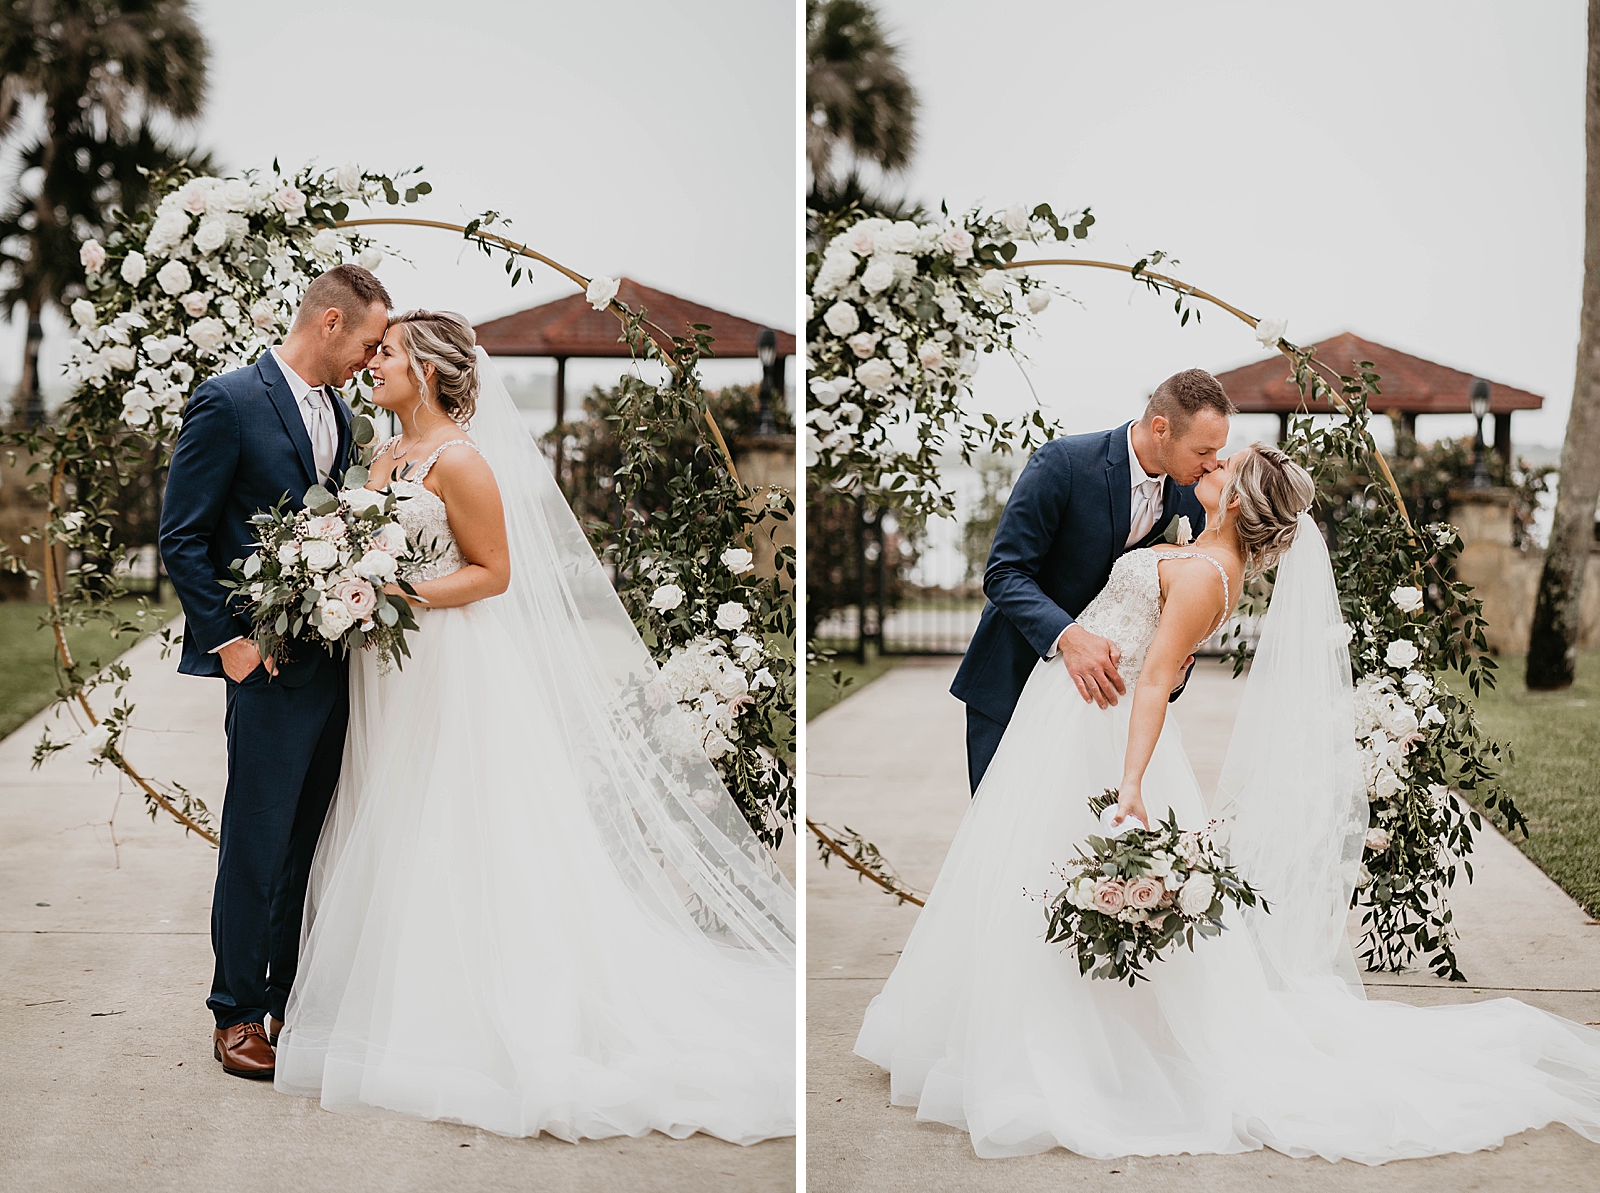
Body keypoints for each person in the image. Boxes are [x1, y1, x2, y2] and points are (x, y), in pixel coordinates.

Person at [856, 443, 1600, 1162]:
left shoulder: (1212, 572)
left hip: (1103, 728)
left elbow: (1154, 681)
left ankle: (1067, 1047)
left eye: (1226, 465)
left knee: (1056, 872)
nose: (1211, 466)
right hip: (1065, 711)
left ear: (1238, 498)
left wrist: (1132, 783)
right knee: (1022, 869)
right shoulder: (1201, 543)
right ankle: (1010, 1025)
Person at [272, 311, 795, 1146]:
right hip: (383, 669)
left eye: (390, 353)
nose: (374, 362)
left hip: (447, 663)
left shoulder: (463, 461)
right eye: (376, 350)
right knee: (393, 813)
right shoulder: (378, 453)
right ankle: (402, 996)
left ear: (433, 372)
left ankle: (468, 1013)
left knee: (453, 818)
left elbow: (495, 572)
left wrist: (395, 596)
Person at [159, 265, 390, 1080]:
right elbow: (181, 536)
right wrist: (230, 643)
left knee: (307, 844)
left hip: (335, 665)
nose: (371, 358)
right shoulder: (227, 400)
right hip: (261, 665)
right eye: (366, 342)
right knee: (256, 842)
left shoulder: (348, 416)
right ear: (329, 322)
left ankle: (287, 1002)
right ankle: (233, 1013)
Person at [950, 369, 1229, 794]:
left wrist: (1172, 671)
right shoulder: (1063, 463)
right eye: (1203, 450)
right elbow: (1005, 572)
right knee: (1005, 842)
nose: (1212, 464)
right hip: (1014, 682)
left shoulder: (1191, 496)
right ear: (1161, 429)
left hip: (1100, 711)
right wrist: (1069, 636)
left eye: (1218, 453)